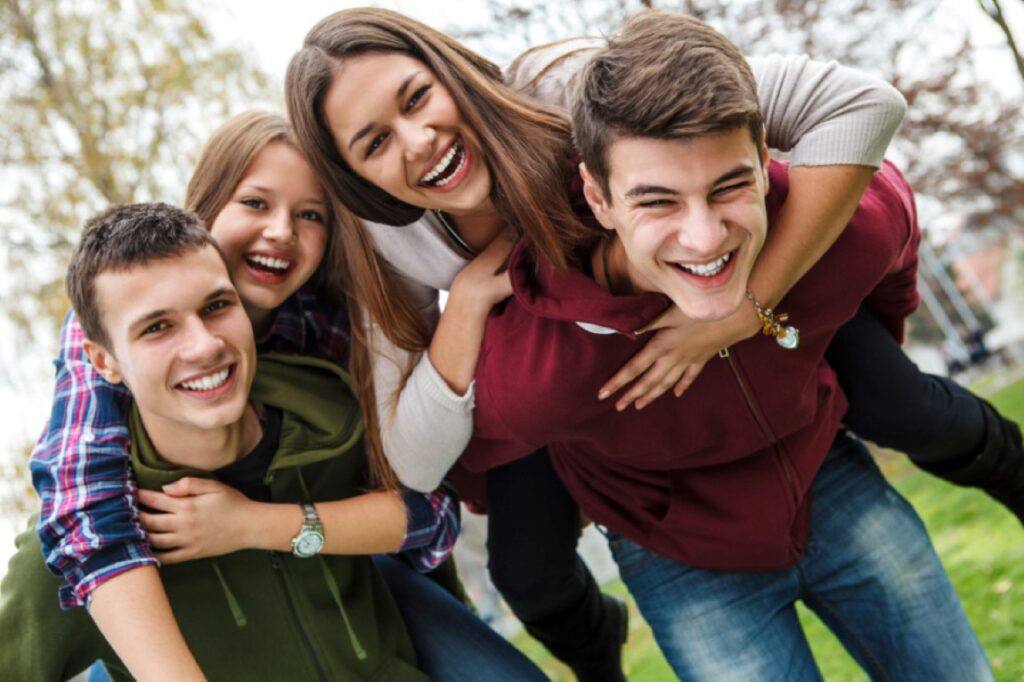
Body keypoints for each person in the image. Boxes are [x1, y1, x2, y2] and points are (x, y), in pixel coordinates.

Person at [286, 7, 1021, 677]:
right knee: (528, 567)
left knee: (899, 401)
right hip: (594, 353)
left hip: (742, 284)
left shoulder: (571, 88)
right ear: (353, 174)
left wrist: (741, 309)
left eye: (417, 97)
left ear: (449, 68)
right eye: (374, 142)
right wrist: (473, 297)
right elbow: (412, 454)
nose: (417, 141)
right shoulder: (393, 245)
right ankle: (597, 657)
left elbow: (862, 106)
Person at [26, 113, 538, 681]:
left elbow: (424, 503)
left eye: (310, 215)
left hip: (336, 547)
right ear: (208, 204)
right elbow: (82, 500)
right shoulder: (119, 311)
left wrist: (254, 524)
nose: (281, 231)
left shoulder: (333, 324)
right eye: (254, 203)